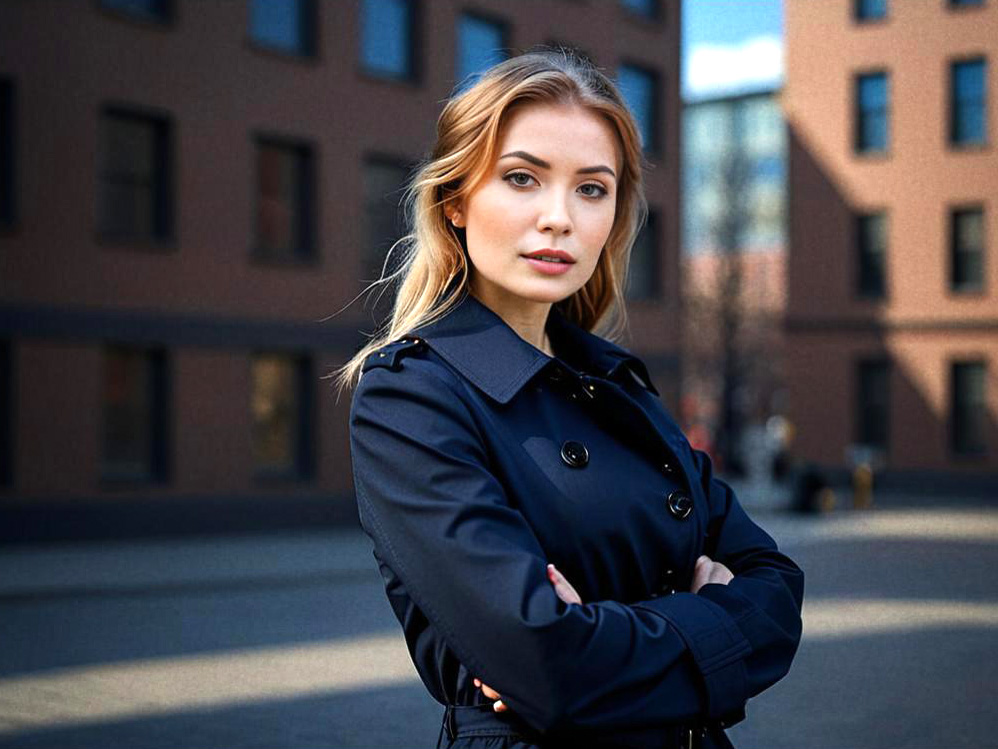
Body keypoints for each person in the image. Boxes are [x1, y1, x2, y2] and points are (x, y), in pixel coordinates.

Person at [332, 48, 804, 749]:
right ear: (456, 199)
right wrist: (706, 614)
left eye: (592, 188)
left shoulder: (616, 383)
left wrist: (606, 634)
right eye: (522, 178)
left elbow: (776, 590)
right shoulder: (411, 396)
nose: (560, 217)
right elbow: (547, 664)